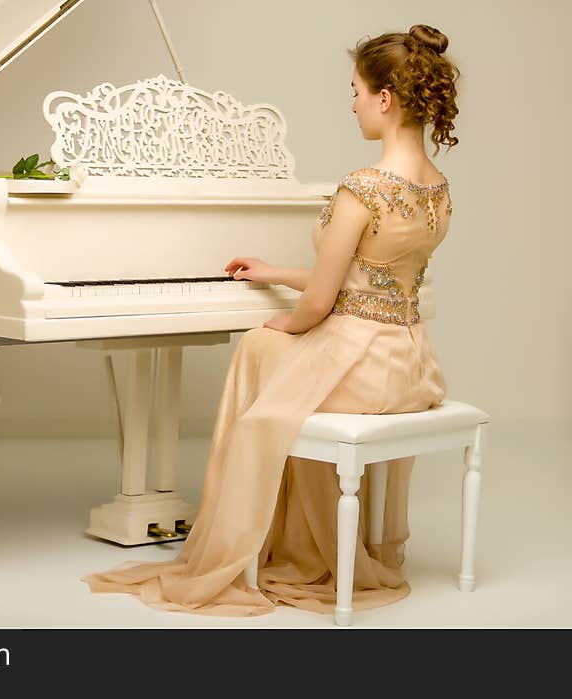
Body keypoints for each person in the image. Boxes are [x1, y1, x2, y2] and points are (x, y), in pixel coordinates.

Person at [81, 24, 461, 616]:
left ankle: (246, 540)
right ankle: (292, 536)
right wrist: (277, 271)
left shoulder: (364, 187)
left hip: (361, 364)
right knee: (276, 358)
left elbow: (320, 306)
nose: (354, 103)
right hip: (410, 365)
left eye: (357, 90)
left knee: (258, 348)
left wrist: (283, 322)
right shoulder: (437, 189)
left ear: (385, 99)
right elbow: (368, 280)